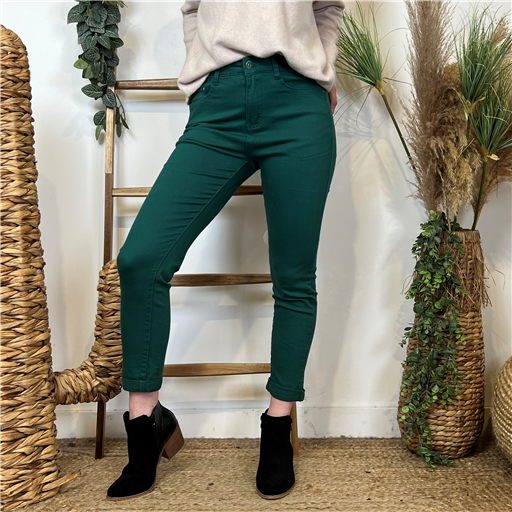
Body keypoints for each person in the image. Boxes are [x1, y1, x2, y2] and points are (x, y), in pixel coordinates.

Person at [106, 0, 345, 502]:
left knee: (294, 277)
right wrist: (200, 81)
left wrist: (322, 68)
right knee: (141, 259)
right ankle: (144, 420)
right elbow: (193, 9)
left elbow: (327, 8)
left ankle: (277, 427)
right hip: (217, 106)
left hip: (298, 102)